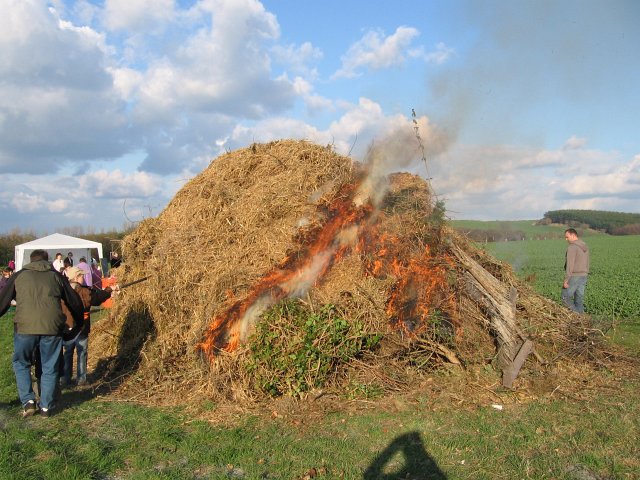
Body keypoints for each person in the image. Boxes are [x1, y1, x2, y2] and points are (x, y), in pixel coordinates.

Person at [0, 249, 83, 417]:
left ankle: (28, 401)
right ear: (48, 260)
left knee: (21, 363)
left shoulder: (19, 275)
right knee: (50, 366)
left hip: (24, 327)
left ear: (30, 261)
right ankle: (46, 406)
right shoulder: (56, 276)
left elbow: (3, 300)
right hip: (52, 328)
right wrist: (78, 324)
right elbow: (74, 301)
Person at [61, 266, 115, 387]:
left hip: (67, 327)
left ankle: (65, 378)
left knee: (68, 352)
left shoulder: (62, 290)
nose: (83, 278)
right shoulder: (82, 291)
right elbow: (96, 299)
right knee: (82, 352)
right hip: (81, 326)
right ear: (76, 277)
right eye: (81, 276)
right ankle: (81, 379)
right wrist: (108, 290)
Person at [562, 228, 590, 313]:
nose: (566, 239)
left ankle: (577, 316)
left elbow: (570, 265)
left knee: (565, 297)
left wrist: (566, 280)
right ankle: (582, 321)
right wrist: (586, 272)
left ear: (573, 235)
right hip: (584, 275)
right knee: (579, 299)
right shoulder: (584, 246)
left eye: (567, 237)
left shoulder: (572, 247)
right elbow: (588, 262)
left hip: (574, 276)